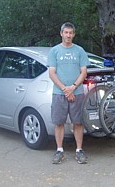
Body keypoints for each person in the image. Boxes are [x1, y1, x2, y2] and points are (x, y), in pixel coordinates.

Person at [47, 22, 90, 164]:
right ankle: (59, 150)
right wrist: (65, 89)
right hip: (59, 93)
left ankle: (79, 150)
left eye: (71, 33)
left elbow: (84, 72)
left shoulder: (79, 51)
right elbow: (52, 73)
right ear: (61, 34)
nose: (68, 35)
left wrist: (73, 87)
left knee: (78, 122)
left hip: (77, 93)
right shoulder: (54, 51)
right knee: (59, 122)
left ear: (74, 34)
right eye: (66, 32)